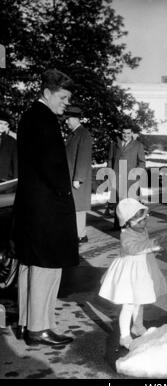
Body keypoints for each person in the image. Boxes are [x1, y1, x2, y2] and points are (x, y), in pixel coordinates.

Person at [12, 69, 79, 346]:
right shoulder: (46, 119)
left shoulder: (28, 116)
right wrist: (63, 194)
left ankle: (29, 324)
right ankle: (40, 328)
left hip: (31, 205)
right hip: (48, 207)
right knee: (47, 267)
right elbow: (52, 166)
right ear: (47, 92)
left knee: (31, 264)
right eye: (63, 97)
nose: (66, 103)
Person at [99, 198, 167, 349]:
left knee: (139, 299)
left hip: (142, 270)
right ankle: (124, 336)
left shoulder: (141, 229)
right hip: (129, 272)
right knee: (129, 303)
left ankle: (137, 325)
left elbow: (147, 245)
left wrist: (158, 245)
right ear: (128, 222)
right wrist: (153, 245)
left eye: (145, 219)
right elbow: (134, 248)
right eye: (140, 221)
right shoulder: (126, 234)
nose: (145, 223)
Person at [106, 122, 146, 229]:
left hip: (131, 178)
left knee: (129, 201)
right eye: (124, 133)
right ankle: (118, 223)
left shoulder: (138, 145)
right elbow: (110, 159)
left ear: (132, 133)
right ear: (121, 133)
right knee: (118, 200)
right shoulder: (114, 144)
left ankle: (129, 224)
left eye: (128, 133)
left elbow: (142, 162)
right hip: (117, 176)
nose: (125, 135)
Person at [65, 105, 92, 244]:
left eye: (68, 119)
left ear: (75, 119)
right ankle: (78, 233)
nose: (66, 122)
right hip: (72, 177)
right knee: (75, 207)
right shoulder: (74, 134)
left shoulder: (83, 134)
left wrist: (78, 178)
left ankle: (81, 235)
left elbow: (83, 157)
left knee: (78, 208)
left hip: (77, 179)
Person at [0, 110, 18, 182]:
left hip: (5, 180)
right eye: (0, 123)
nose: (2, 126)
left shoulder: (12, 141)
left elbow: (16, 163)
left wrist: (16, 181)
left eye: (5, 124)